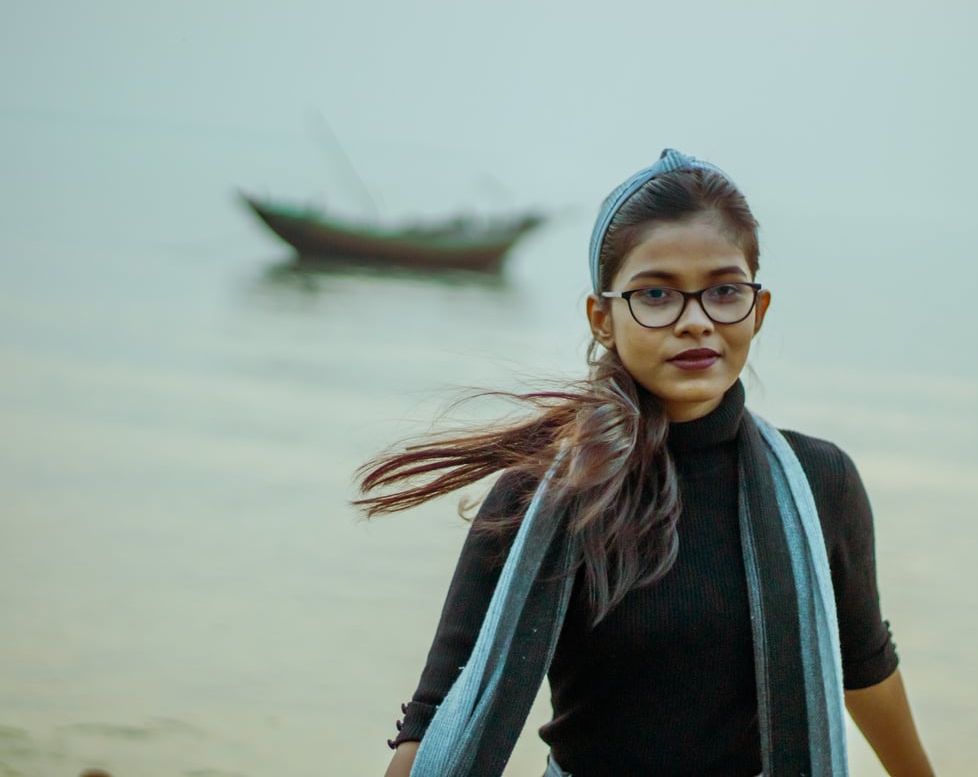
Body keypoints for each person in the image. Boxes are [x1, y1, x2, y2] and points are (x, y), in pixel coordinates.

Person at [359, 149, 934, 777]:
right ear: (602, 318)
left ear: (758, 309)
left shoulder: (820, 483)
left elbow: (864, 666)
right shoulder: (543, 498)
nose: (695, 322)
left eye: (723, 292)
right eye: (656, 294)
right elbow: (440, 716)